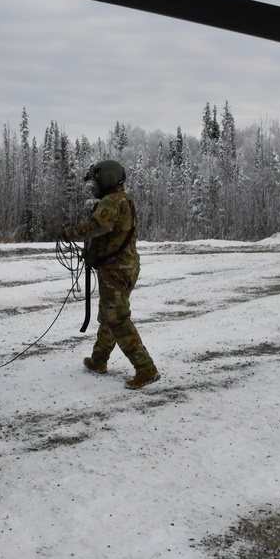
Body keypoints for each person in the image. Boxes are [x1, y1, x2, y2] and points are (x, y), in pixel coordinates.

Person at [64, 160, 160, 389]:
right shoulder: (123, 199)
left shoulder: (110, 201)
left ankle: (146, 369)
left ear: (106, 179)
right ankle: (99, 360)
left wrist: (71, 232)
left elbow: (98, 227)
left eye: (95, 181)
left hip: (116, 268)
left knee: (117, 319)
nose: (93, 186)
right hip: (123, 266)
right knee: (108, 315)